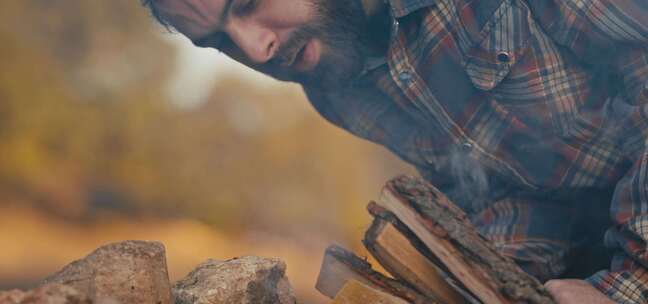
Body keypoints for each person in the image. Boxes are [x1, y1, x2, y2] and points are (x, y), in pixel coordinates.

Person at [140, 0, 647, 302]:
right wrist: (486, 277)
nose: (254, 50)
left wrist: (629, 284)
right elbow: (506, 186)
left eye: (247, 2)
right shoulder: (335, 87)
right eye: (217, 44)